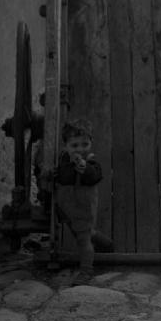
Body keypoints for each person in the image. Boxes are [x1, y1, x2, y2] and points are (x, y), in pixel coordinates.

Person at [55, 119, 113, 285]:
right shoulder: (64, 160)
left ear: (91, 143)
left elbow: (95, 176)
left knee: (83, 238)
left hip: (83, 206)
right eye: (74, 146)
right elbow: (64, 177)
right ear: (65, 146)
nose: (80, 149)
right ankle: (107, 245)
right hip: (68, 206)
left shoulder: (91, 160)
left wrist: (85, 168)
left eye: (84, 144)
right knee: (82, 232)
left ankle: (86, 271)